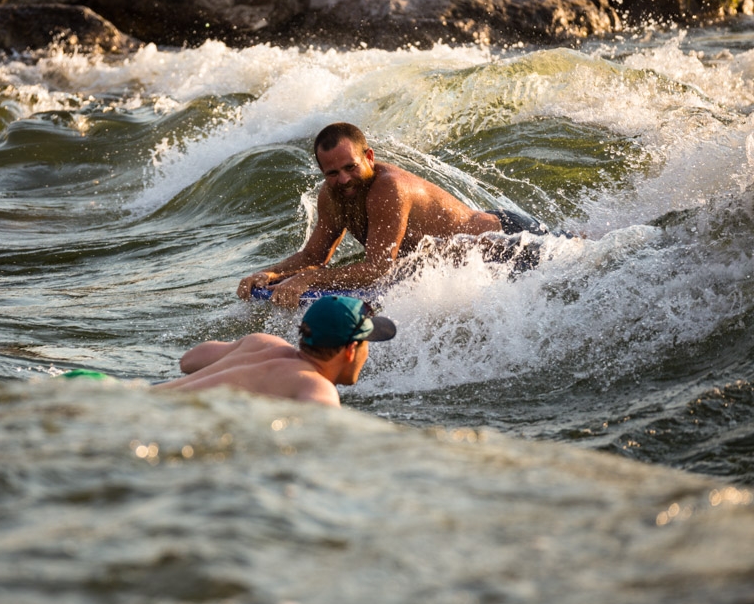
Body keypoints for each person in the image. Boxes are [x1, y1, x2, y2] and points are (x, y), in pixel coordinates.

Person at [237, 122, 560, 308]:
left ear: (369, 157)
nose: (344, 179)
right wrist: (271, 274)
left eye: (350, 167)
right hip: (468, 253)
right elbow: (313, 254)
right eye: (332, 172)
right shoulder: (332, 194)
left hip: (507, 241)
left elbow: (378, 268)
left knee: (586, 257)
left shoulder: (389, 189)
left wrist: (309, 279)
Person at [153, 295, 396, 407]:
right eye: (367, 342)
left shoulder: (262, 343)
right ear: (351, 349)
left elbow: (189, 360)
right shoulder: (317, 388)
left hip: (141, 395)